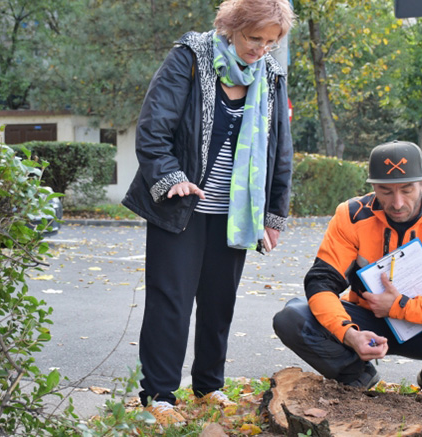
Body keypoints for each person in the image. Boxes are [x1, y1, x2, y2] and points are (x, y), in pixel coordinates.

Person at [121, 0, 295, 425]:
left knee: (219, 302)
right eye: (254, 37)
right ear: (231, 26)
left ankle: (209, 386)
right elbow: (153, 128)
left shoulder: (270, 76)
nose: (261, 49)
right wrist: (170, 177)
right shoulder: (190, 58)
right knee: (171, 302)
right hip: (181, 204)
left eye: (270, 42)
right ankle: (159, 395)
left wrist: (273, 214)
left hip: (235, 211)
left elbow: (280, 149)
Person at [272, 140, 422, 397]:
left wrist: (400, 306)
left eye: (407, 190)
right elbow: (321, 282)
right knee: (292, 317)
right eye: (385, 191)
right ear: (372, 186)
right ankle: (357, 377)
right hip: (367, 324)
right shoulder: (351, 215)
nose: (397, 203)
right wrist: (349, 334)